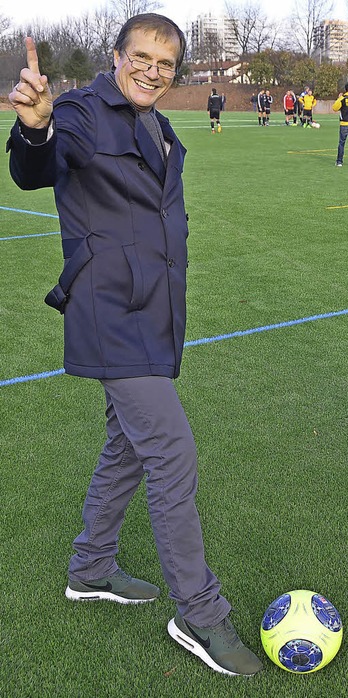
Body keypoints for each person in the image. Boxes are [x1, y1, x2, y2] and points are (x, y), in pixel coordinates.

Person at [7, 13, 263, 678]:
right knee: (172, 453)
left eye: (165, 62)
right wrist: (35, 126)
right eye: (141, 56)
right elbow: (38, 167)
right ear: (116, 55)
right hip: (109, 313)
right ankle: (199, 614)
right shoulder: (85, 112)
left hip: (154, 313)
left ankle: (90, 566)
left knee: (128, 443)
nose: (152, 70)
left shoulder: (156, 121)